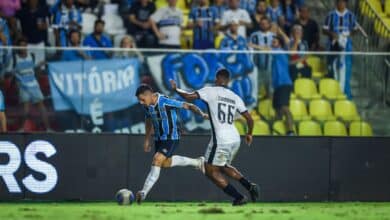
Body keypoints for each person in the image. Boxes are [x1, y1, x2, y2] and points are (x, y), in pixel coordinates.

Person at [170, 69, 259, 206]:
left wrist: (176, 89)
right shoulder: (234, 96)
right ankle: (249, 186)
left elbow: (188, 97)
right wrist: (249, 134)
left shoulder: (210, 91)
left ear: (217, 79)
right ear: (228, 81)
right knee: (222, 166)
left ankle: (238, 197)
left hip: (221, 139)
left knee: (210, 170)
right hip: (235, 138)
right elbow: (250, 119)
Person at [135, 84, 208, 203]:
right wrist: (147, 139)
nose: (141, 102)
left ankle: (143, 193)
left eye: (142, 99)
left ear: (149, 95)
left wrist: (202, 114)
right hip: (159, 139)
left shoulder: (165, 101)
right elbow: (148, 120)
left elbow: (188, 105)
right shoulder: (147, 106)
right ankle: (197, 162)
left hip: (171, 137)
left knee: (156, 160)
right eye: (139, 100)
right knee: (163, 163)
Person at [12, 37, 51, 132]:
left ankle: (48, 128)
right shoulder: (14, 58)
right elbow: (12, 73)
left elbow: (35, 69)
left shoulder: (32, 56)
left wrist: (41, 65)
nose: (23, 47)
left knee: (41, 106)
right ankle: (21, 128)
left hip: (34, 85)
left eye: (24, 45)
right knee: (25, 108)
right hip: (23, 86)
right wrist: (17, 84)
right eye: (20, 46)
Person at [323, 0, 357, 99]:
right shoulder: (330, 15)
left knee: (345, 69)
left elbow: (355, 29)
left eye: (343, 2)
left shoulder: (351, 15)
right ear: (336, 3)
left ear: (346, 3)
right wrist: (332, 34)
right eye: (339, 2)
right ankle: (332, 93)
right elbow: (324, 29)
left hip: (347, 47)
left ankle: (346, 94)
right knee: (332, 68)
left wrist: (348, 34)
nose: (341, 4)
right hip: (332, 46)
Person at [16, 0, 49, 64]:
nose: (33, 2)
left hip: (40, 43)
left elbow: (47, 25)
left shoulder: (42, 11)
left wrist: (42, 26)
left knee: (40, 65)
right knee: (30, 65)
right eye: (31, 0)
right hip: (28, 44)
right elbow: (18, 27)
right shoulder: (22, 12)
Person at [248, 17, 275, 98]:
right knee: (256, 89)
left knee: (270, 91)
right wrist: (264, 48)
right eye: (262, 23)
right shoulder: (254, 35)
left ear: (269, 24)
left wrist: (257, 47)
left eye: (265, 23)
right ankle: (256, 109)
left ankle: (270, 109)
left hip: (270, 67)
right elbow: (249, 46)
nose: (263, 25)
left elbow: (272, 49)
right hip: (257, 67)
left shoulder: (274, 36)